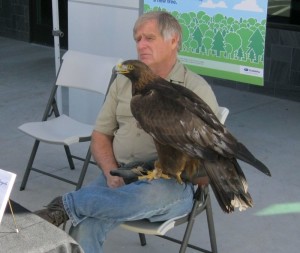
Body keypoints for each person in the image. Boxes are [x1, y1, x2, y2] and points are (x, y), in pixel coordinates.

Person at [35, 11, 219, 253]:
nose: (140, 45)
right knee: (86, 226)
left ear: (173, 41)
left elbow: (212, 164)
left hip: (169, 184)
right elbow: (101, 134)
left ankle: (64, 206)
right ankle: (75, 206)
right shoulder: (124, 82)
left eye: (149, 38)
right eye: (137, 38)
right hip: (121, 171)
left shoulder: (195, 91)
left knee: (143, 198)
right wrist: (111, 173)